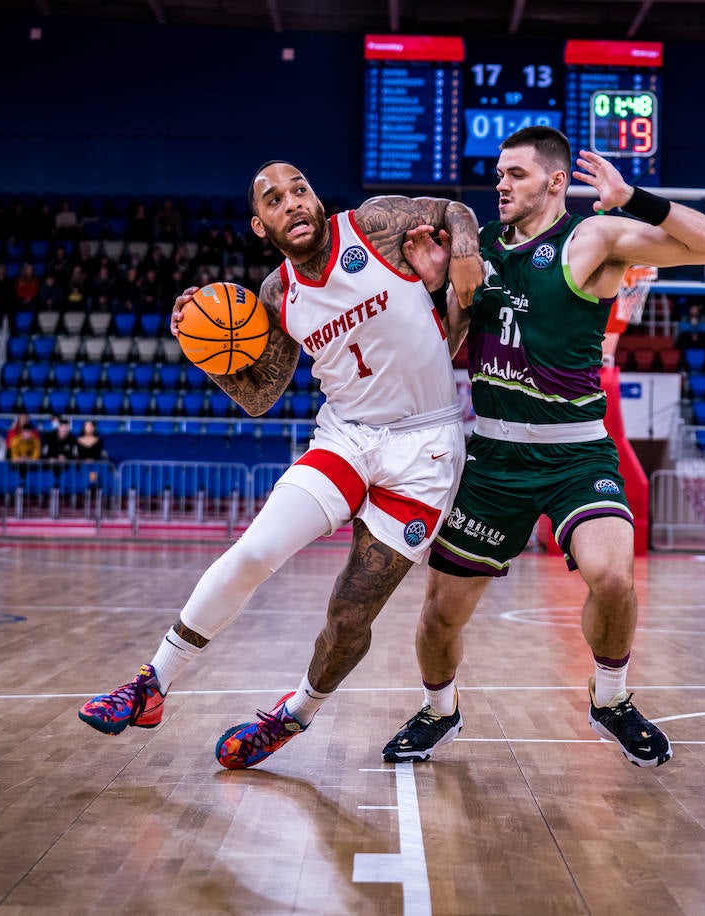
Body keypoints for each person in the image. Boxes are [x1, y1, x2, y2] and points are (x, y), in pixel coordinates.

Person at [77, 160, 483, 771]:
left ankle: (295, 714)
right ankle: (150, 686)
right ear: (259, 225)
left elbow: (456, 211)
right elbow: (261, 394)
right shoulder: (275, 294)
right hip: (345, 438)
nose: (291, 203)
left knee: (350, 613)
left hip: (423, 450)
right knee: (253, 552)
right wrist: (205, 350)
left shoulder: (374, 225)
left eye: (300, 190)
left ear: (317, 200)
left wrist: (467, 254)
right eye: (274, 199)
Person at [380, 127, 705, 768]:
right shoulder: (477, 249)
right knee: (438, 617)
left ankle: (612, 699)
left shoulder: (592, 239)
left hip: (576, 452)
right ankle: (439, 712)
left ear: (552, 180)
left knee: (613, 577)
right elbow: (447, 342)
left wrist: (634, 198)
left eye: (514, 174)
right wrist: (443, 289)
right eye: (498, 174)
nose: (500, 184)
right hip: (494, 454)